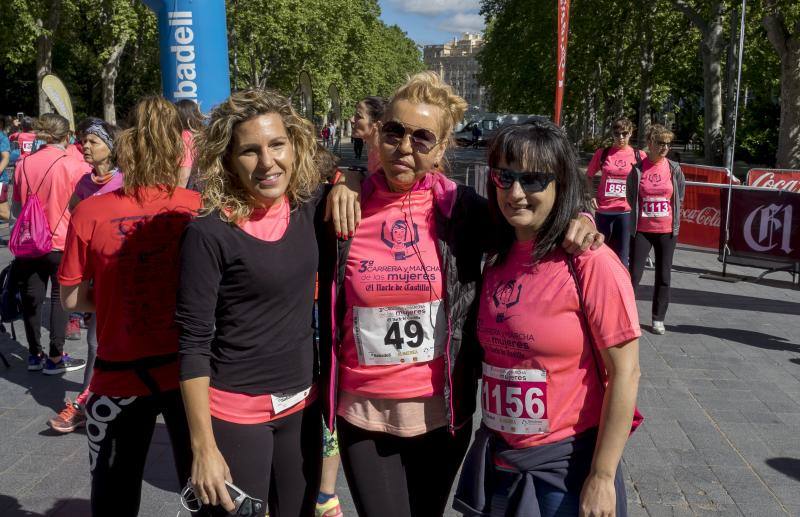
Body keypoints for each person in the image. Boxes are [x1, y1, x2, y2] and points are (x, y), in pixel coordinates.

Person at [317, 72, 603, 517]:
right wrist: (347, 179)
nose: (404, 146)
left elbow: (530, 212)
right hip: (363, 412)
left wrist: (581, 215)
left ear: (441, 149)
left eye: (422, 138)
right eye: (393, 131)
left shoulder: (463, 209)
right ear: (377, 132)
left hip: (441, 414)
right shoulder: (342, 206)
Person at [176, 88, 359, 517]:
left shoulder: (309, 206)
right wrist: (202, 447)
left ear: (294, 145)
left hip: (301, 407)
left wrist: (348, 181)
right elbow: (193, 343)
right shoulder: (208, 233)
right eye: (249, 151)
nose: (267, 162)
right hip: (234, 415)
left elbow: (351, 175)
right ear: (227, 159)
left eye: (277, 144)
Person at [454, 118, 641, 517]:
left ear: (560, 184)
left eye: (534, 180)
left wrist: (603, 476)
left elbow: (626, 373)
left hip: (566, 469)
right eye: (505, 177)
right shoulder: (497, 254)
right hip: (500, 461)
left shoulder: (591, 263)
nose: (516, 193)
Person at [58, 96, 198, 516]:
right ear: (178, 149)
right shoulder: (198, 210)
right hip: (189, 375)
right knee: (208, 493)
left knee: (114, 498)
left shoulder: (90, 212)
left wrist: (115, 299)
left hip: (117, 377)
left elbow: (69, 299)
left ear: (125, 147)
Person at [49, 119, 123, 433]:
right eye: (85, 141)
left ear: (112, 147)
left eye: (94, 142)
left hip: (121, 271)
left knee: (100, 341)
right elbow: (75, 215)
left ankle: (87, 403)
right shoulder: (83, 182)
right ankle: (89, 402)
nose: (86, 147)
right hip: (93, 274)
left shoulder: (124, 181)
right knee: (96, 341)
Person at [12, 113, 91, 374]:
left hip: (29, 241)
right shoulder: (75, 165)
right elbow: (85, 207)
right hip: (62, 241)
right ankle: (56, 358)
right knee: (59, 298)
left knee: (31, 298)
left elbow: (15, 208)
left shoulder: (23, 164)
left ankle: (34, 354)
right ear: (67, 136)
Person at [627, 124, 686, 335]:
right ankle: (628, 317)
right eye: (660, 143)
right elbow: (630, 196)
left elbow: (679, 196)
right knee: (633, 274)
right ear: (650, 143)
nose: (664, 148)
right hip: (642, 229)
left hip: (667, 229)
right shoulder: (637, 169)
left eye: (668, 144)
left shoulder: (674, 168)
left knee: (664, 276)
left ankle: (658, 318)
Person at [586, 117, 643, 267]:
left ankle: (622, 288)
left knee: (623, 257)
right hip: (603, 211)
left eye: (625, 133)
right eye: (617, 134)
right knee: (601, 253)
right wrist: (591, 195)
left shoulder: (639, 156)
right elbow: (588, 177)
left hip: (626, 211)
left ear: (631, 133)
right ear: (612, 134)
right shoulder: (603, 153)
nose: (621, 137)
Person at [350, 96, 386, 174]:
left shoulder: (386, 158)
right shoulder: (373, 150)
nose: (352, 119)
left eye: (358, 116)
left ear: (376, 124)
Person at [176, 99, 205, 187]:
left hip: (189, 191)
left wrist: (176, 196)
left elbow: (184, 174)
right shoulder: (200, 135)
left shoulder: (185, 136)